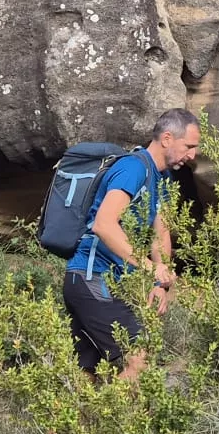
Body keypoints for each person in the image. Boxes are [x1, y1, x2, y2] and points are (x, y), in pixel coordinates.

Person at [62, 109, 200, 379]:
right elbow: (104, 224)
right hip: (92, 278)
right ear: (167, 138)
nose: (192, 155)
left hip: (102, 282)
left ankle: (82, 420)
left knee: (88, 375)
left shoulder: (160, 178)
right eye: (189, 146)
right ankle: (111, 422)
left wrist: (161, 283)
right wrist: (151, 269)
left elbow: (161, 234)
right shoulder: (133, 168)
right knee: (138, 358)